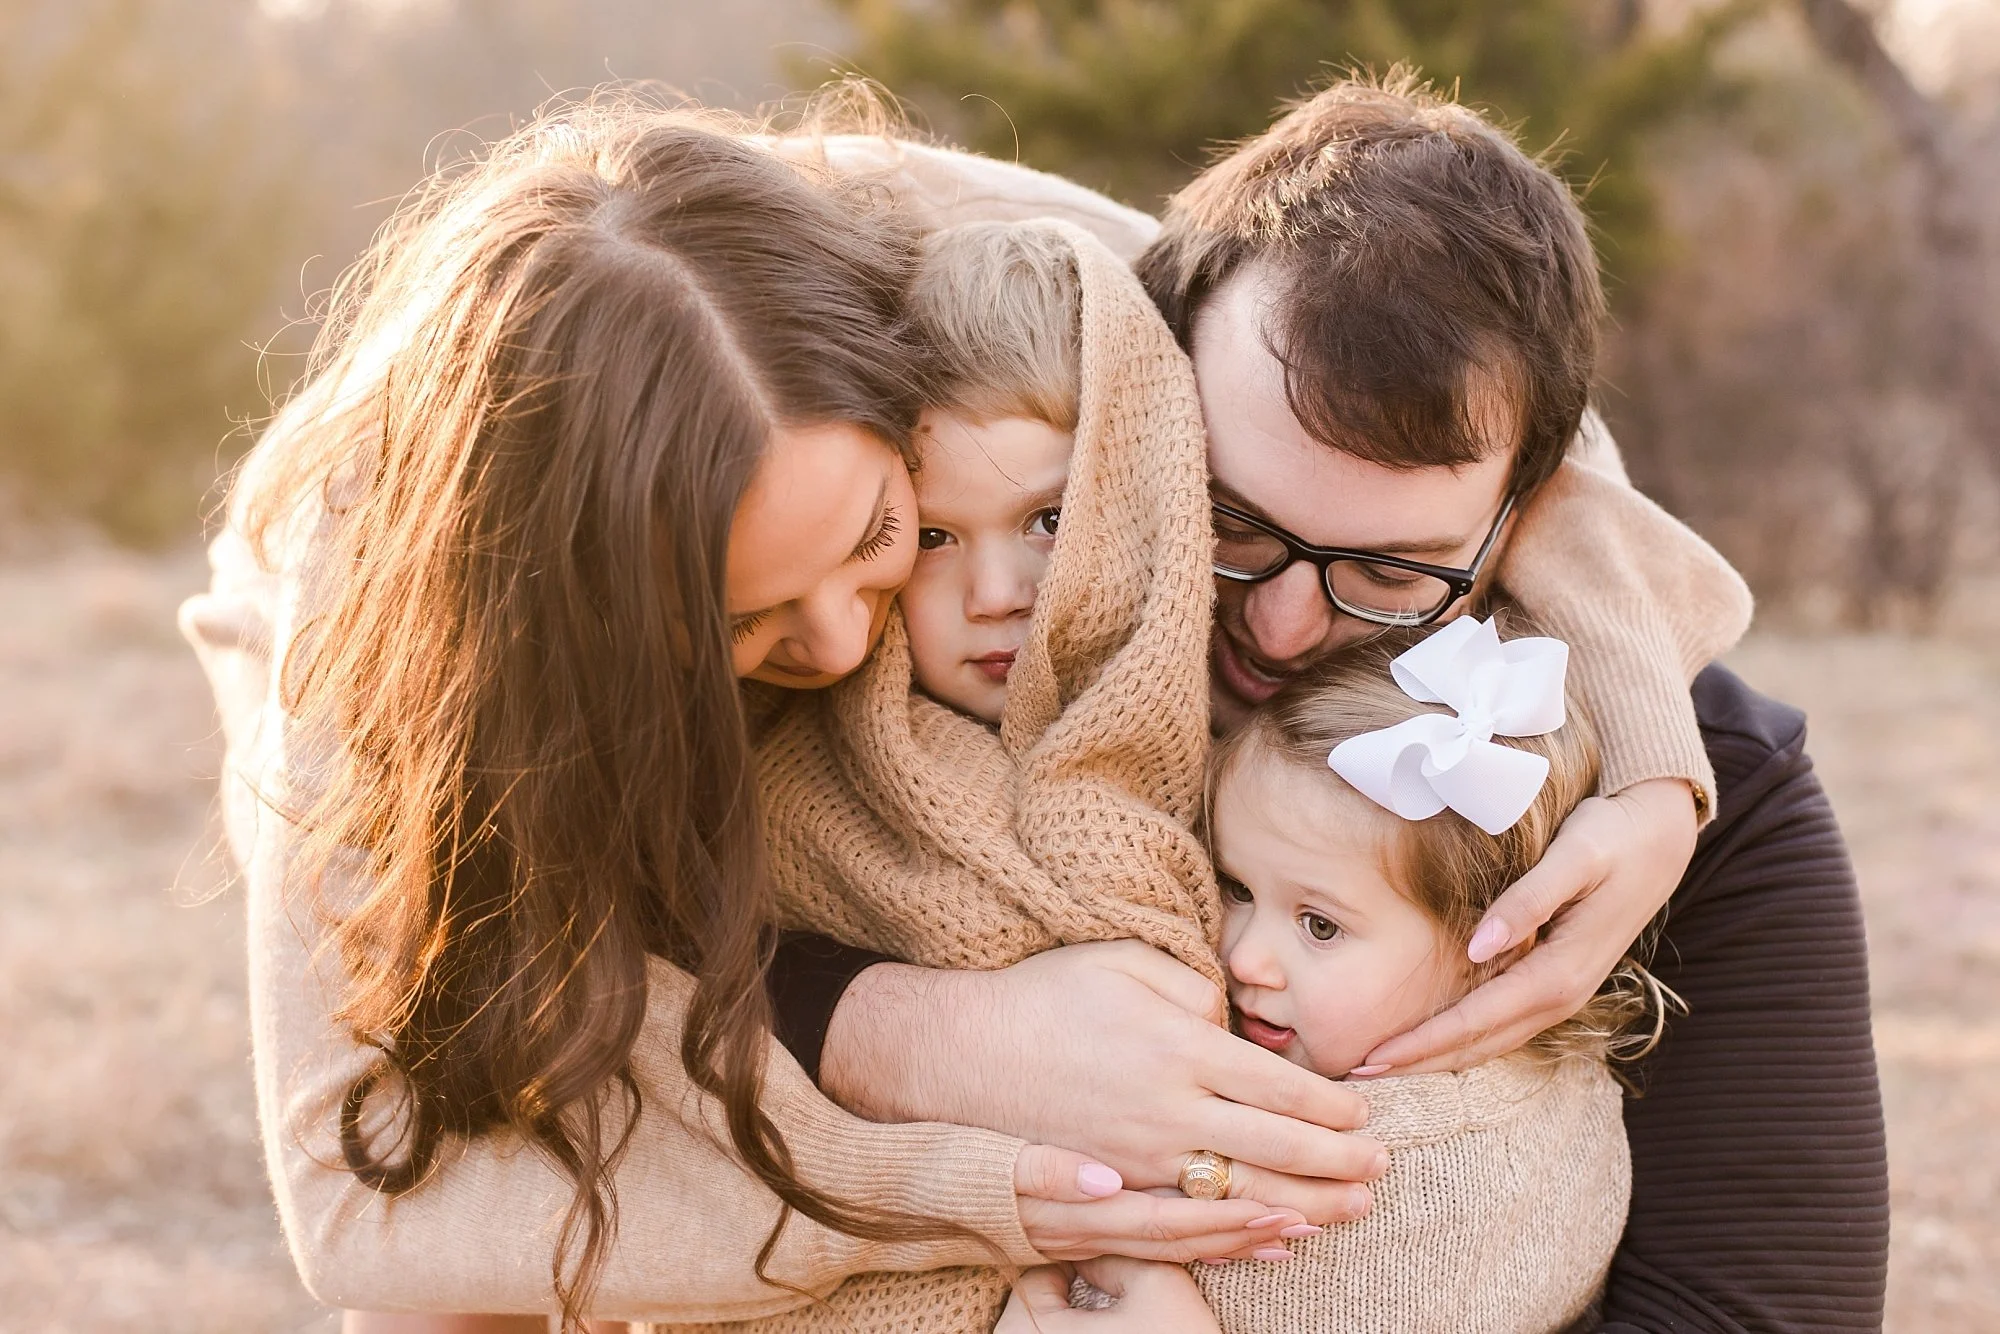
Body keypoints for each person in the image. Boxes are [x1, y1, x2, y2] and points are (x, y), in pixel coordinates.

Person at [181, 102, 1333, 1332]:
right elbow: (370, 1209)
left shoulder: (918, 244)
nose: (839, 641)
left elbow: (1394, 339)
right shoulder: (384, 631)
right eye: (741, 620)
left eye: (876, 536)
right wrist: (940, 1109)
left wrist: (1578, 751)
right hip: (487, 772)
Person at [771, 75, 1888, 1331]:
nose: (1283, 626)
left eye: (1388, 572)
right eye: (1234, 522)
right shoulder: (899, 645)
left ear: (1522, 520)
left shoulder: (1693, 795)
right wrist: (900, 1028)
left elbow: (1754, 1310)